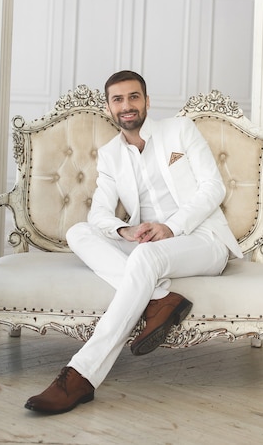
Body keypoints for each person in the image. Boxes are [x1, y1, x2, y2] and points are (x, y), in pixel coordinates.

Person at [25, 70, 243, 414]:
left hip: (202, 238)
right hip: (149, 242)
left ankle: (81, 374)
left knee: (146, 259)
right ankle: (160, 298)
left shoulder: (179, 130)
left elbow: (212, 188)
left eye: (133, 97)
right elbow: (98, 214)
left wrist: (171, 226)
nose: (126, 106)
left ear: (146, 101)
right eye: (118, 99)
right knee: (78, 232)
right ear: (109, 107)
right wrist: (123, 231)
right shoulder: (111, 154)